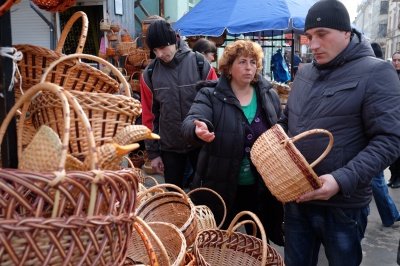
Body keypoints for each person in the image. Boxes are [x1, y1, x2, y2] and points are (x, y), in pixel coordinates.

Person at [279, 1, 400, 266]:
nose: (313, 45)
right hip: (297, 198)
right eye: (309, 37)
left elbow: (389, 140)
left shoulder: (377, 72)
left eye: (322, 34)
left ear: (346, 32)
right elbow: (288, 123)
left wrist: (340, 179)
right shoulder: (305, 72)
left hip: (342, 205)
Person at [181, 39, 284, 245]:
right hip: (222, 186)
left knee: (257, 244)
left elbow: (281, 129)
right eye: (242, 62)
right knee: (221, 244)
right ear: (228, 67)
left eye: (253, 62)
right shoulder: (210, 94)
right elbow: (190, 121)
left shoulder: (268, 95)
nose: (249, 68)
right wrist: (196, 128)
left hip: (260, 188)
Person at [140, 19, 218, 189]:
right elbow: (149, 116)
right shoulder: (149, 74)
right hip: (170, 148)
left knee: (205, 193)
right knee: (173, 199)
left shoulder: (200, 63)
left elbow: (217, 102)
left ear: (174, 40)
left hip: (201, 145)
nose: (159, 54)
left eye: (162, 48)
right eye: (155, 50)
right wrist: (153, 154)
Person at [369, 43, 400, 227]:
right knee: (376, 178)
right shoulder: (382, 72)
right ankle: (390, 214)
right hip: (377, 134)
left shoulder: (377, 74)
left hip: (376, 135)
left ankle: (390, 214)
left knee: (376, 178)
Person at [389, 51, 400, 188]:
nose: (396, 62)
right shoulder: (390, 75)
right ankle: (393, 176)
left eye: (399, 60)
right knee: (393, 151)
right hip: (393, 117)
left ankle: (398, 178)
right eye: (394, 60)